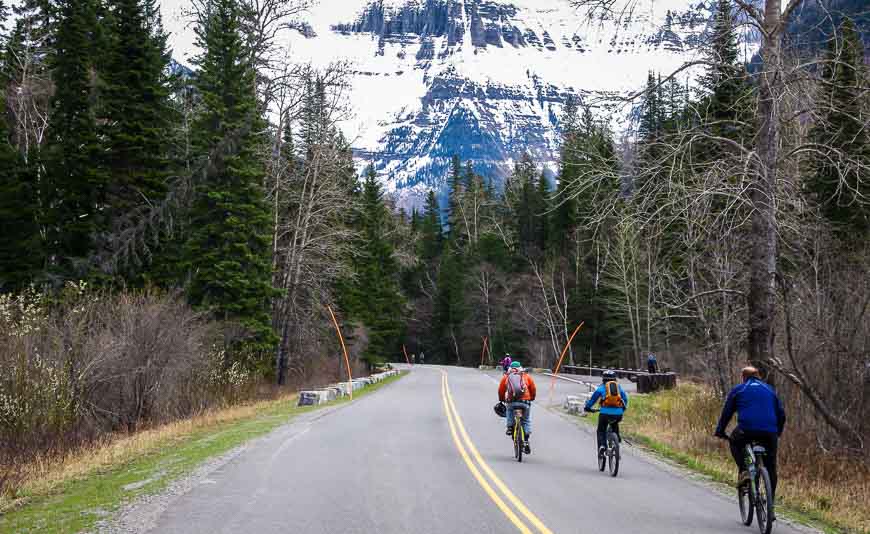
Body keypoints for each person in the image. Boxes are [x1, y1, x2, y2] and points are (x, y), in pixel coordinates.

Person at [715, 366, 786, 503]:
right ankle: (770, 502)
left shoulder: (739, 389)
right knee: (771, 466)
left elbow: (727, 413)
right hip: (770, 432)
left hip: (746, 430)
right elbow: (782, 415)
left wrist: (720, 431)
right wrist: (778, 432)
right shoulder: (769, 390)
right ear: (759, 376)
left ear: (743, 377)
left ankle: (744, 471)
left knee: (734, 441)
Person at [584, 370, 629, 459]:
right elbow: (625, 399)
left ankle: (602, 446)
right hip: (618, 414)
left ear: (603, 379)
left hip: (604, 413)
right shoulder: (619, 388)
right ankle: (616, 442)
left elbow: (592, 400)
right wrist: (622, 409)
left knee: (601, 430)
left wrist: (587, 408)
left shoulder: (601, 388)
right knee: (615, 424)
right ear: (615, 379)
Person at [498, 361, 537, 454]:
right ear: (520, 367)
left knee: (509, 410)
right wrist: (532, 398)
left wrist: (501, 399)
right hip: (525, 402)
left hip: (512, 401)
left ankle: (510, 427)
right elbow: (533, 388)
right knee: (526, 420)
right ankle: (526, 442)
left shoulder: (506, 377)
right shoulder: (526, 376)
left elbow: (501, 390)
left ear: (510, 368)